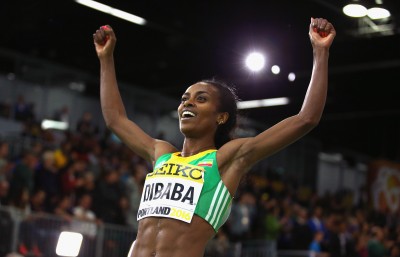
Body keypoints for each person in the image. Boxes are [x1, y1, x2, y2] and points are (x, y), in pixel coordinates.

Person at [93, 17, 336, 257]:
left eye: (201, 99)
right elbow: (116, 119)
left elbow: (306, 119)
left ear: (221, 117)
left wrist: (320, 52)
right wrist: (106, 59)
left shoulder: (227, 159)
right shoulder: (162, 154)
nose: (188, 102)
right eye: (185, 98)